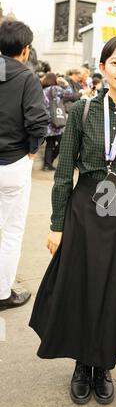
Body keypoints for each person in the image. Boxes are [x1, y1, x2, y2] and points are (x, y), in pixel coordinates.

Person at [29, 36, 116, 406]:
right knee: (81, 287)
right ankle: (81, 364)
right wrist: (57, 222)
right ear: (102, 68)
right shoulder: (82, 111)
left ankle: (103, 367)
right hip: (84, 208)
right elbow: (63, 170)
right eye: (115, 63)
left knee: (113, 290)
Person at [0, 20, 48, 310]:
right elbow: (37, 121)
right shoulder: (26, 77)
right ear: (26, 49)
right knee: (11, 231)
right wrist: (31, 151)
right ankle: (2, 292)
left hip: (12, 160)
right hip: (13, 163)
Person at [42, 72, 72, 171]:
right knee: (63, 142)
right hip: (56, 120)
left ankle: (47, 165)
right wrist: (65, 83)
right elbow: (69, 94)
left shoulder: (43, 90)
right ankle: (50, 160)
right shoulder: (55, 89)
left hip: (47, 121)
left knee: (50, 144)